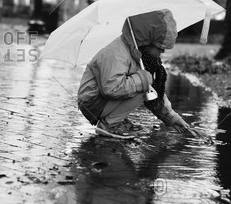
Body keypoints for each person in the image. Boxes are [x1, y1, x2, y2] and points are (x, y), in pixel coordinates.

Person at [77, 9, 198, 140]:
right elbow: (110, 88)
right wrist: (143, 79)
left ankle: (116, 119)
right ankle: (108, 124)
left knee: (145, 83)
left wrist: (172, 117)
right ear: (146, 41)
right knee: (143, 84)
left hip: (102, 100)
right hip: (92, 101)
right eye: (159, 47)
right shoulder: (116, 53)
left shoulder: (141, 55)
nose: (162, 51)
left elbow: (155, 92)